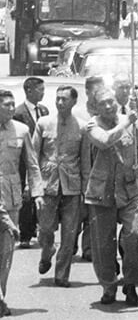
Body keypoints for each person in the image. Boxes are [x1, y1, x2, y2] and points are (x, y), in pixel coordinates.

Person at [83, 88, 138, 306]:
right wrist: (125, 124)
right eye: (102, 103)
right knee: (103, 244)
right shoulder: (92, 125)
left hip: (129, 190)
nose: (108, 106)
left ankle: (130, 283)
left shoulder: (132, 121)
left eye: (111, 101)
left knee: (132, 235)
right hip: (101, 193)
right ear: (95, 107)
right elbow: (104, 141)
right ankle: (108, 285)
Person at [35, 85, 85, 288]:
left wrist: (85, 188)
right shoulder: (43, 123)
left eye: (65, 99)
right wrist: (35, 186)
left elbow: (85, 160)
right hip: (48, 184)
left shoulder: (82, 127)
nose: (60, 102)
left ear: (74, 102)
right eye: (58, 98)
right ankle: (47, 251)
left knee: (70, 232)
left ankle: (61, 274)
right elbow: (34, 156)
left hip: (72, 186)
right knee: (45, 227)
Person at [0, 88, 43, 311]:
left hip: (11, 197)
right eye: (5, 104)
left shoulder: (22, 130)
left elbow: (32, 164)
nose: (10, 108)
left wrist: (37, 193)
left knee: (6, 252)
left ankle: (0, 297)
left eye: (11, 103)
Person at [13, 75, 48, 247]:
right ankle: (25, 234)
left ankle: (35, 228)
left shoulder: (43, 110)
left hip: (39, 160)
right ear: (29, 90)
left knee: (38, 194)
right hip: (22, 161)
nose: (42, 93)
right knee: (25, 197)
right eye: (40, 89)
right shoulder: (18, 113)